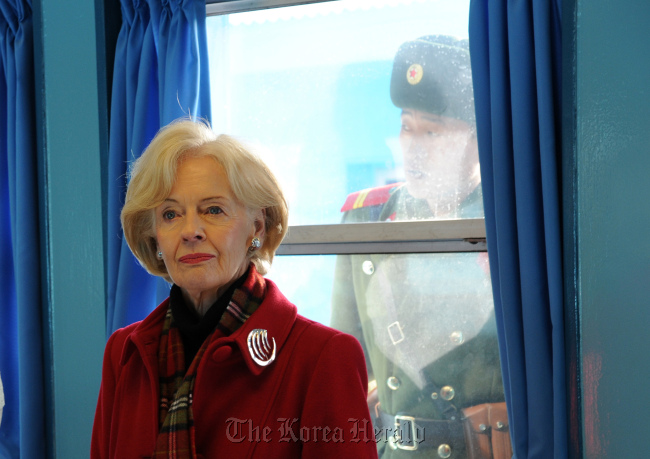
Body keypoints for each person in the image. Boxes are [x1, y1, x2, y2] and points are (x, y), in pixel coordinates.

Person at [92, 119, 378, 459]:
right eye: (170, 214)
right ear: (154, 237)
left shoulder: (324, 357)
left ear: (256, 228)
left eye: (213, 210)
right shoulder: (124, 354)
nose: (190, 231)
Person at [331, 36, 511, 458]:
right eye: (406, 126)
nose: (413, 145)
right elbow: (345, 358)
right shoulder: (365, 219)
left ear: (475, 136)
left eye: (432, 130)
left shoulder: (507, 222)